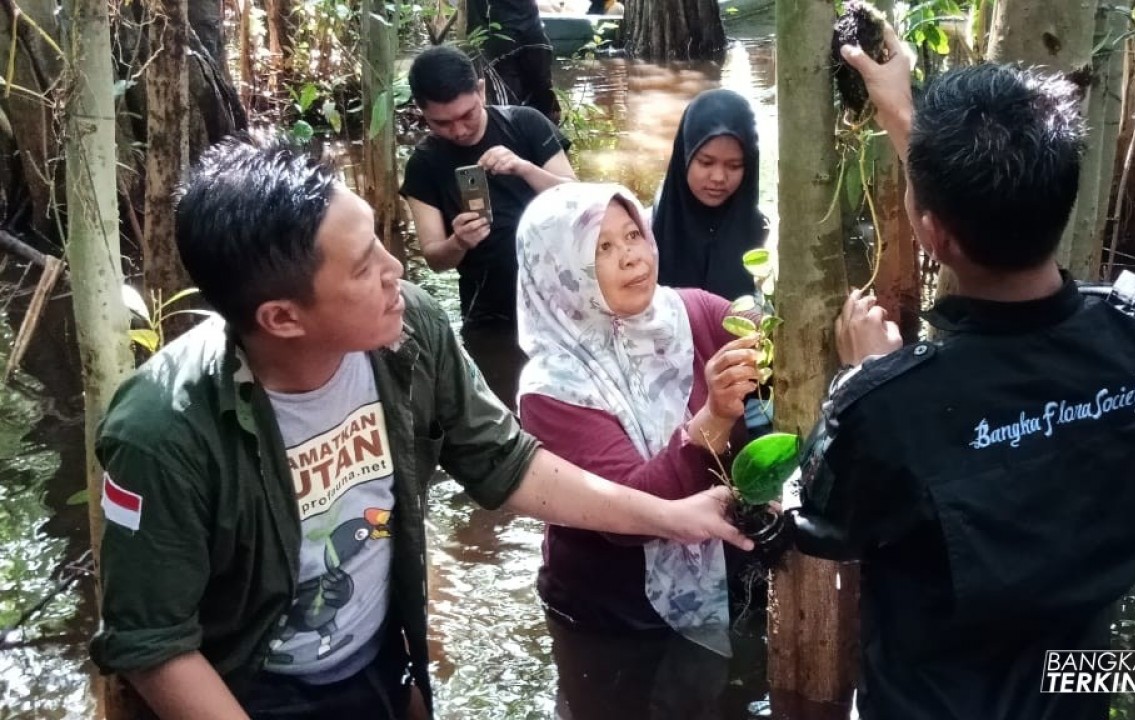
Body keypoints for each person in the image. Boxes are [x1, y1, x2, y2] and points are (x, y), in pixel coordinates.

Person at [88, 136, 750, 720]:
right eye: (362, 266)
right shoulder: (162, 433)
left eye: (380, 239)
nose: (395, 269)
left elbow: (505, 463)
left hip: (378, 660)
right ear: (283, 318)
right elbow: (155, 647)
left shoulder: (408, 332)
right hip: (250, 687)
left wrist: (676, 518)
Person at [788, 25, 1135, 720]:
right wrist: (899, 109)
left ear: (933, 233)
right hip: (1079, 685)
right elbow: (996, 230)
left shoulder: (888, 406)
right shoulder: (1133, 333)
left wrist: (867, 379)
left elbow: (822, 524)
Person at [515, 182, 760, 718]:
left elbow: (783, 361)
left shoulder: (693, 313)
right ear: (561, 270)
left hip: (721, 569)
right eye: (601, 248)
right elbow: (631, 511)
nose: (632, 256)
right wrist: (715, 415)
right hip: (613, 613)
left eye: (633, 234)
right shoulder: (552, 386)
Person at [402, 45, 575, 412]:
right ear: (422, 113)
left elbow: (579, 200)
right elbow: (435, 257)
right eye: (442, 123)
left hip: (560, 298)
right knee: (510, 415)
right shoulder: (425, 165)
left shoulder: (525, 124)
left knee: (572, 406)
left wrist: (525, 169)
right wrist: (458, 241)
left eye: (467, 115)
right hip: (490, 313)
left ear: (481, 90)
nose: (459, 130)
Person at [652, 88, 766, 302]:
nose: (718, 177)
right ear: (684, 155)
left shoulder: (763, 236)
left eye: (734, 165)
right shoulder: (649, 230)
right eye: (706, 162)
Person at [468, 0, 561, 124]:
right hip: (522, 35)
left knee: (511, 106)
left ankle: (536, 136)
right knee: (539, 96)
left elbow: (475, 20)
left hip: (511, 38)